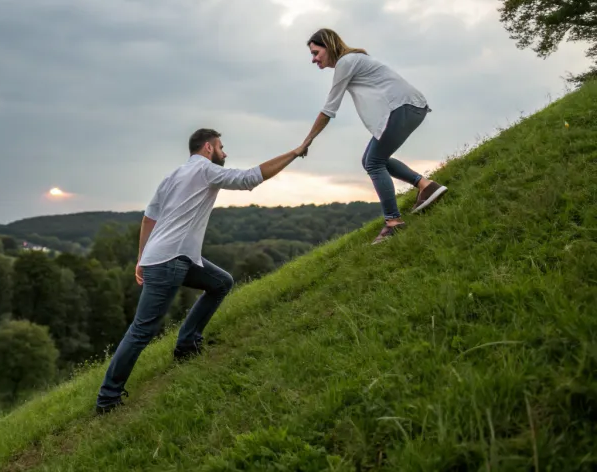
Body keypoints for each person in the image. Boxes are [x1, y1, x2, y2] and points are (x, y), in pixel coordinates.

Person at [95, 128, 306, 414]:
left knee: (220, 282)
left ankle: (187, 344)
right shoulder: (205, 170)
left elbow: (148, 219)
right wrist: (294, 152)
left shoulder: (173, 176)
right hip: (171, 261)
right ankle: (108, 398)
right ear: (208, 148)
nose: (224, 152)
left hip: (168, 258)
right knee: (141, 331)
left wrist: (141, 257)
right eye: (221, 146)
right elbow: (248, 179)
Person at [299, 28, 448, 245]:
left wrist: (306, 141)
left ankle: (393, 223)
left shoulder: (346, 62)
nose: (313, 59)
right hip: (410, 107)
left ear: (329, 46)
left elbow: (329, 109)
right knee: (371, 160)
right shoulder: (353, 60)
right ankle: (426, 186)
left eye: (315, 52)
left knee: (374, 162)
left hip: (401, 108)